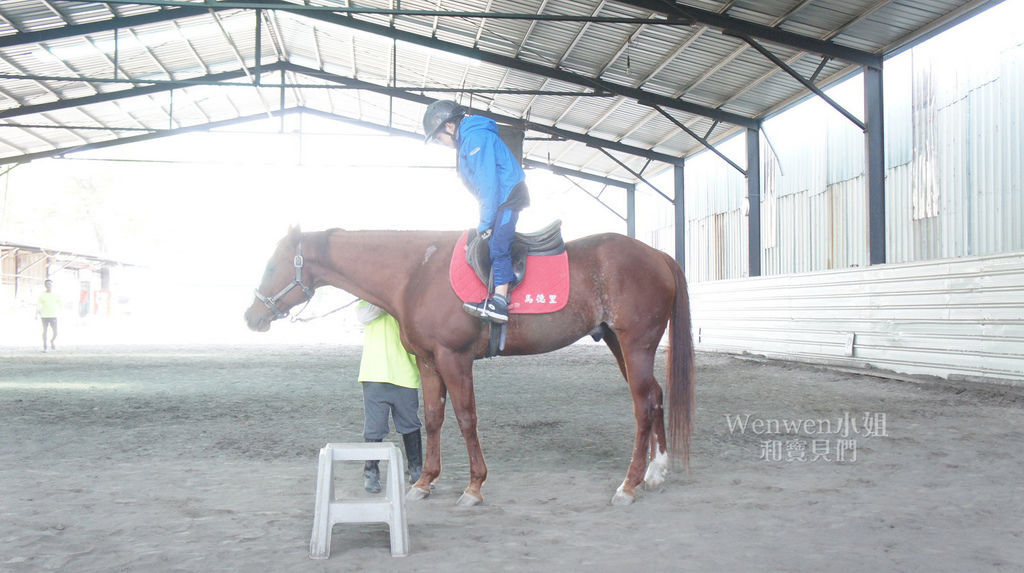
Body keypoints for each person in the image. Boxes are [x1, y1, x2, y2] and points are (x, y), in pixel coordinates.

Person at [423, 99, 530, 324]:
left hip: (507, 196)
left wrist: (485, 223)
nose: (439, 142)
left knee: (498, 244)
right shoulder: (468, 141)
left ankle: (500, 303)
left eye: (437, 137)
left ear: (449, 126)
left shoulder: (474, 139)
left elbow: (487, 185)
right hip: (500, 198)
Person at [355, 301, 423, 493]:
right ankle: (371, 473)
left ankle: (417, 472)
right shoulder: (367, 299)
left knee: (410, 425)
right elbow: (363, 316)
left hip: (405, 374)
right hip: (374, 373)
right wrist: (387, 298)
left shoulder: (407, 301)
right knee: (374, 428)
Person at [36, 279, 61, 352]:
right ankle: (45, 347)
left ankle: (52, 341)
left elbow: (60, 304)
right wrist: (36, 313)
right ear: (45, 285)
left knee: (56, 332)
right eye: (47, 284)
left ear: (52, 285)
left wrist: (62, 312)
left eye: (50, 284)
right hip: (44, 316)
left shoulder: (56, 295)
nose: (48, 286)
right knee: (45, 331)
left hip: (53, 315)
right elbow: (38, 305)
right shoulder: (42, 295)